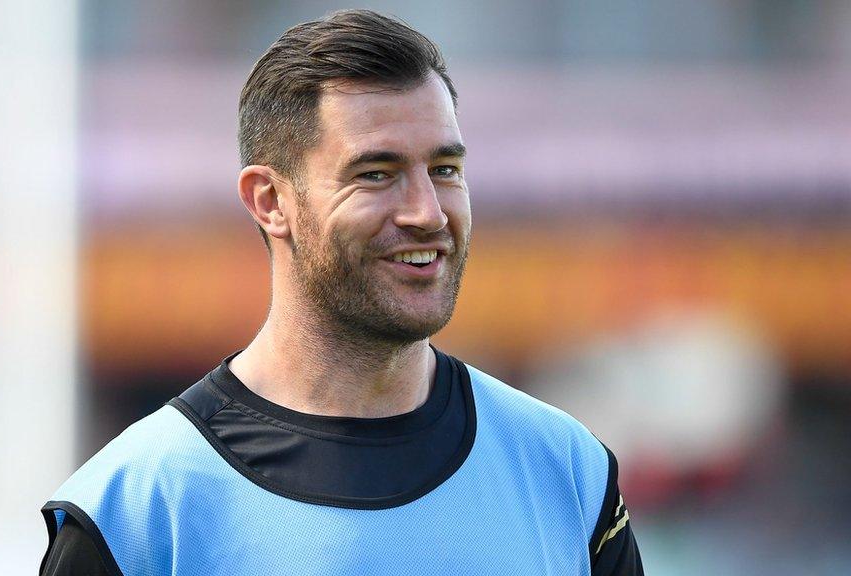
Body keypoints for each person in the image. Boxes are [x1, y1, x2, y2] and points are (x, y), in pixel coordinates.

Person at [39, 9, 642, 576]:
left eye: (445, 169)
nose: (427, 213)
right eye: (375, 174)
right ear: (270, 202)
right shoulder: (136, 511)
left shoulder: (567, 472)